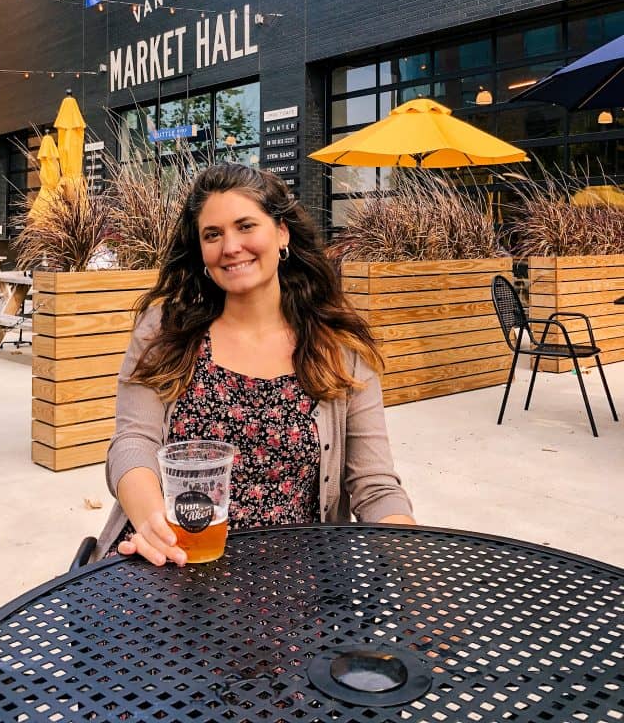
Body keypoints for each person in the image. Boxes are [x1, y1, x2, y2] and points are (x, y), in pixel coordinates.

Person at [95, 163, 414, 565]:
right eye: (213, 234)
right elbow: (132, 443)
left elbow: (375, 486)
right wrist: (152, 522)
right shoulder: (166, 330)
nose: (230, 247)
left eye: (246, 226)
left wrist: (413, 568)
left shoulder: (338, 348)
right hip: (169, 559)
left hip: (293, 581)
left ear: (282, 233)